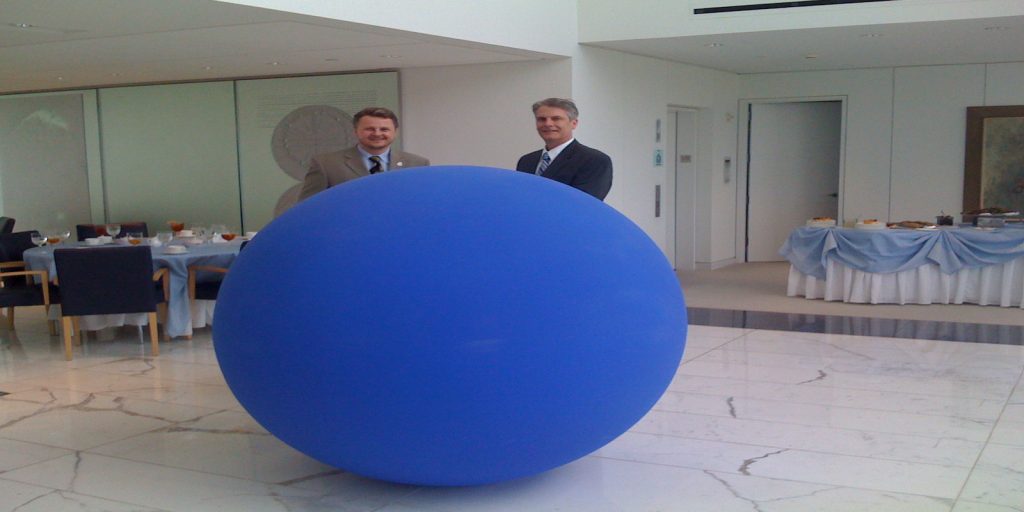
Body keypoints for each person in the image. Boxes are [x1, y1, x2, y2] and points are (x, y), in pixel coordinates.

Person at [298, 107, 429, 201]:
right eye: (370, 129)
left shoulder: (417, 164)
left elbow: (422, 201)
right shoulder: (326, 164)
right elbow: (307, 205)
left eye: (384, 129)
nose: (377, 134)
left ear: (395, 132)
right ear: (356, 131)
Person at [516, 98, 612, 201]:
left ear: (574, 123)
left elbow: (584, 202)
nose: (548, 124)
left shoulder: (594, 160)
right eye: (542, 119)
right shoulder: (526, 161)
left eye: (556, 119)